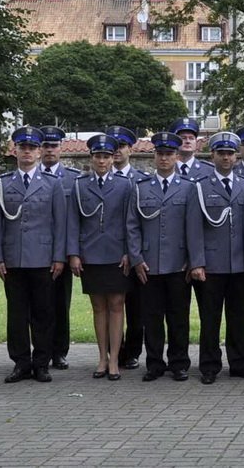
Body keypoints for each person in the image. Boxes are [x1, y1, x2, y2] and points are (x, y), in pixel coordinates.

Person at [0, 126, 68, 384]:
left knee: (43, 314)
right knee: (17, 314)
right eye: (23, 147)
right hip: (13, 260)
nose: (27, 152)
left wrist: (59, 257)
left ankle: (41, 363)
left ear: (38, 152)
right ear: (15, 151)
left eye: (32, 148)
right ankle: (21, 363)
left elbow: (60, 223)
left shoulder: (53, 184)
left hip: (43, 259)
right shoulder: (2, 183)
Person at [126, 131, 206, 382]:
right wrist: (137, 258)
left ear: (176, 156)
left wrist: (193, 260)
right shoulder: (140, 188)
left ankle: (179, 362)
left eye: (169, 154)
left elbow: (194, 228)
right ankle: (154, 363)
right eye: (160, 153)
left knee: (178, 317)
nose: (164, 158)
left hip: (177, 263)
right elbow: (132, 226)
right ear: (154, 156)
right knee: (151, 317)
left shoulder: (189, 188)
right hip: (149, 264)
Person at [191, 132, 244, 384]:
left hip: (240, 264)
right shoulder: (200, 186)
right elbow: (194, 228)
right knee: (210, 318)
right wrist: (197, 262)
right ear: (212, 156)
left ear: (236, 155)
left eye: (230, 153)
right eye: (221, 153)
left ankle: (240, 363)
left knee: (239, 316)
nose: (226, 157)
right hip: (211, 265)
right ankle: (209, 366)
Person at [66, 134, 134, 381]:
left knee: (116, 305)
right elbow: (73, 221)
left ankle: (115, 358)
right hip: (91, 253)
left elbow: (130, 222)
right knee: (98, 307)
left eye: (106, 156)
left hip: (117, 254)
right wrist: (73, 253)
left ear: (112, 158)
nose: (102, 161)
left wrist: (129, 252)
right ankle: (101, 358)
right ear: (91, 158)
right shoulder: (80, 185)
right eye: (98, 156)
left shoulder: (126, 184)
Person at [38, 125, 80, 370]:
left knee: (60, 304)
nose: (49, 150)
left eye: (53, 146)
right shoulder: (30, 174)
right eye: (45, 146)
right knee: (37, 306)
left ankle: (59, 351)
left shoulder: (73, 178)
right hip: (35, 251)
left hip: (61, 251)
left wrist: (71, 251)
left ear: (61, 148)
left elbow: (74, 220)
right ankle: (40, 349)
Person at [107, 125, 145, 371]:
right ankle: (113, 352)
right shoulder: (101, 179)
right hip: (111, 252)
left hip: (137, 252)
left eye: (121, 146)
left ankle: (132, 351)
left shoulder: (141, 180)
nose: (118, 151)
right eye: (114, 147)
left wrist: (135, 252)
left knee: (137, 307)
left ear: (131, 149)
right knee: (111, 305)